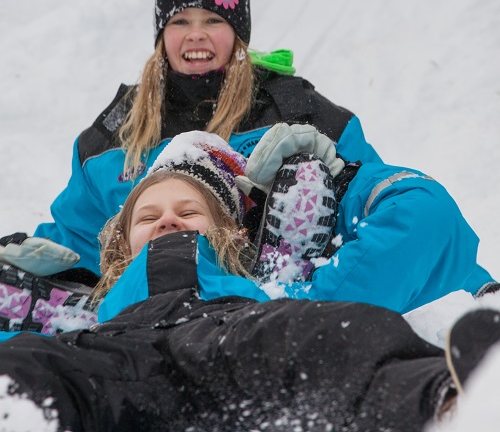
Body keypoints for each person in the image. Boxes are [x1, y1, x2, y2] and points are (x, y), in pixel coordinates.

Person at [1, 133, 500, 431]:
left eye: (189, 210)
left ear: (228, 233)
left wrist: (349, 182)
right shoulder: (85, 312)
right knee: (34, 363)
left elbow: (419, 218)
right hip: (120, 347)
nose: (168, 220)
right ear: (119, 243)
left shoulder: (269, 288)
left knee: (336, 333)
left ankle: (451, 404)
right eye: (147, 216)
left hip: (233, 331)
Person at [1, 0, 382, 281]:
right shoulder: (115, 134)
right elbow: (80, 236)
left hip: (268, 299)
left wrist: (343, 178)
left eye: (213, 20)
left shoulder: (297, 111)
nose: (196, 35)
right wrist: (33, 257)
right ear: (162, 34)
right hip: (144, 310)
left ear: (238, 34)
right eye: (180, 21)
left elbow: (368, 205)